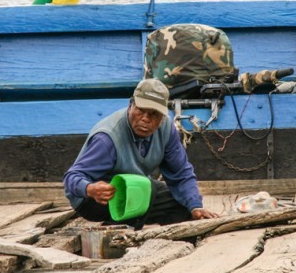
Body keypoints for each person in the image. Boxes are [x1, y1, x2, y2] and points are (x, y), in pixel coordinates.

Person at [63, 78, 218, 227]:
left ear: (162, 117)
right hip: (93, 201)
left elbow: (181, 173)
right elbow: (71, 178)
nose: (145, 119)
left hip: (135, 191)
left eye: (154, 114)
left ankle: (168, 240)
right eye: (141, 110)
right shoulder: (107, 138)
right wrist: (89, 188)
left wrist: (195, 207)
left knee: (183, 202)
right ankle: (117, 232)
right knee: (146, 188)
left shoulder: (166, 129)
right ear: (131, 105)